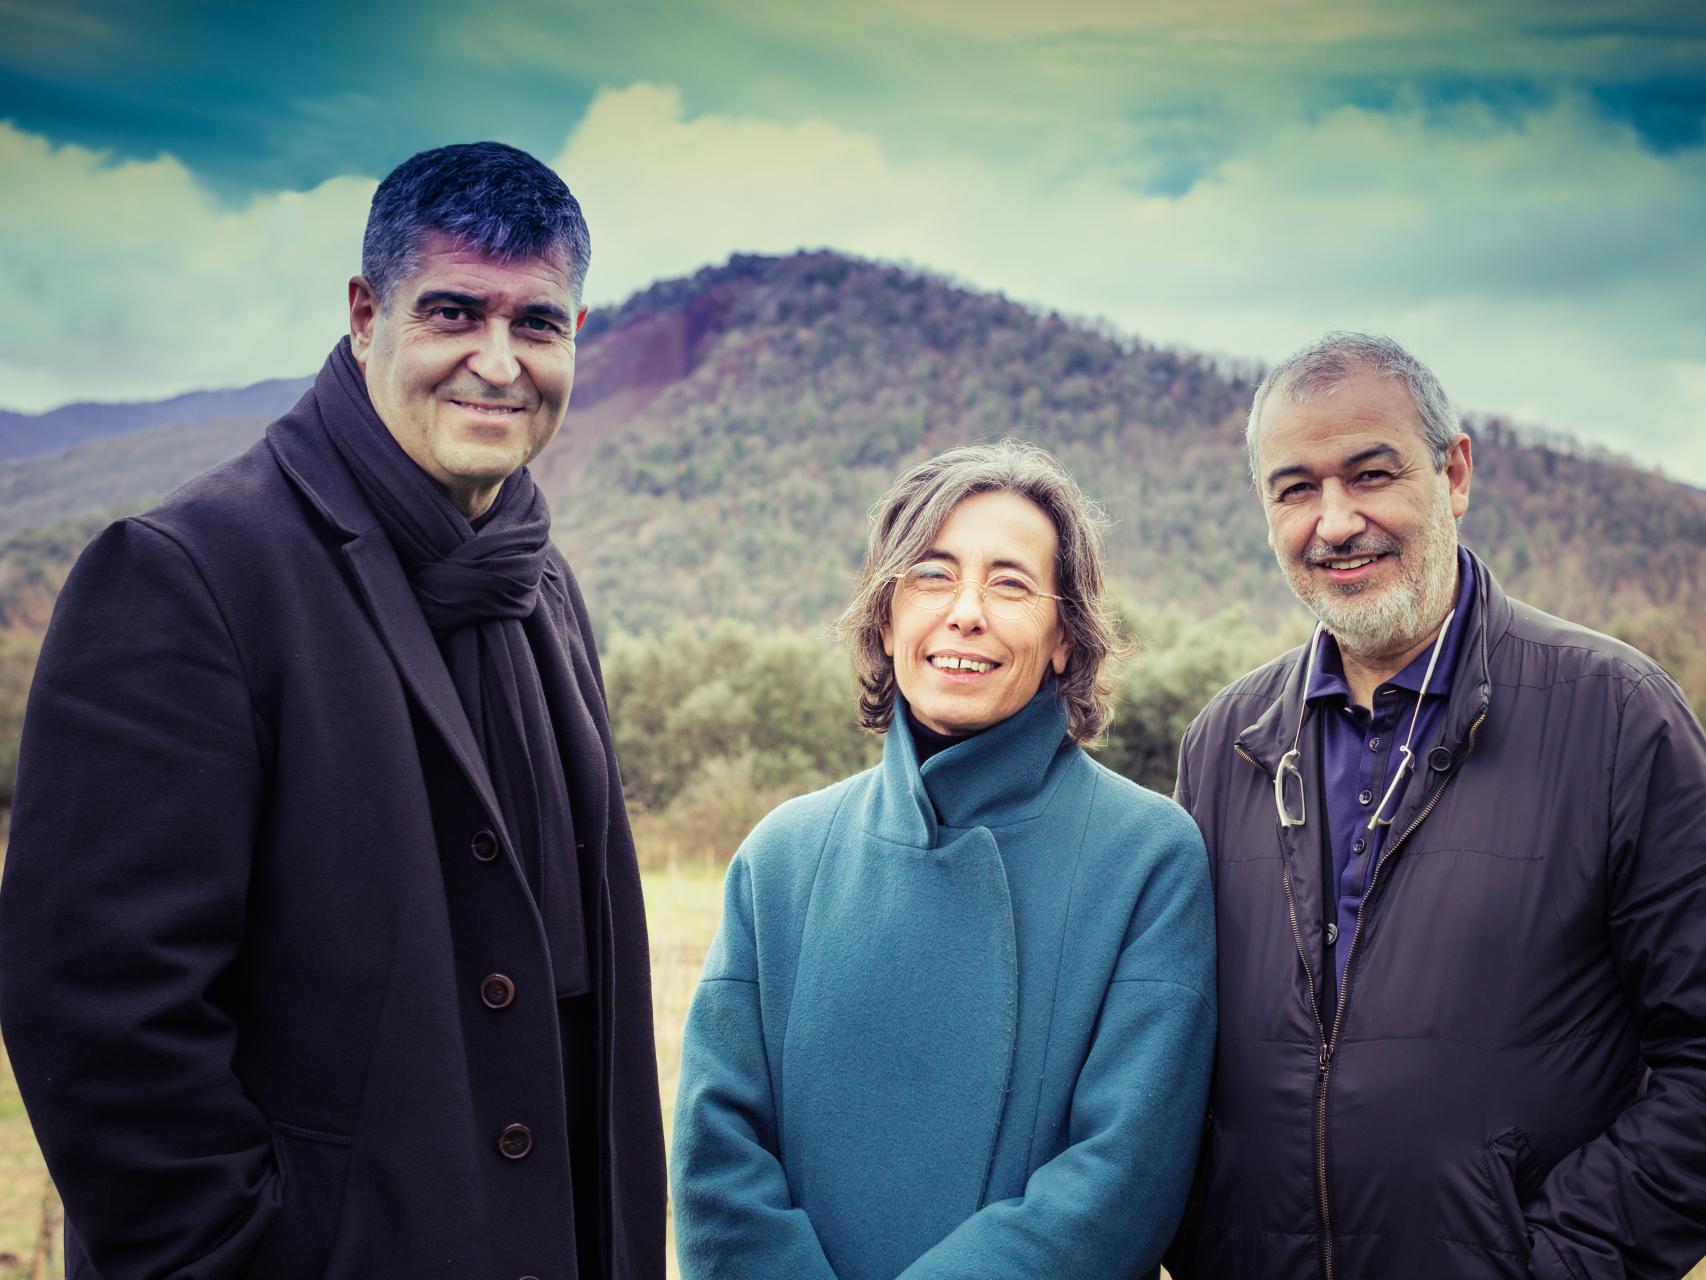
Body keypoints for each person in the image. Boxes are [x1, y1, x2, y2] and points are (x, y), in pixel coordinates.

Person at [0, 142, 665, 1279]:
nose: (497, 362)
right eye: (453, 311)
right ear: (366, 314)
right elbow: (104, 1021)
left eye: (536, 323)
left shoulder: (542, 584)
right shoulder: (185, 574)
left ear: (576, 334)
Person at [1167, 332, 1706, 1279]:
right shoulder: (1227, 742)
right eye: (1295, 489)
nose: (1334, 522)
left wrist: (1561, 1264)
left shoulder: (1617, 716)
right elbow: (1173, 1053)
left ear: (1454, 473)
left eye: (1370, 475)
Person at [670, 439, 1216, 1280]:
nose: (966, 611)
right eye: (931, 574)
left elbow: (1121, 1178)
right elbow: (718, 1161)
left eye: (1010, 582)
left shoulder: (1146, 855)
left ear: (1067, 637)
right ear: (886, 622)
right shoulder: (781, 856)